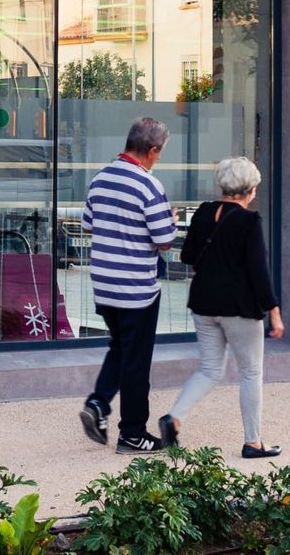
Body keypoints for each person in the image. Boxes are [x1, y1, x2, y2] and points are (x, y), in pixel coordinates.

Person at [157, 157, 284, 459]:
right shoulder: (249, 221)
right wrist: (274, 312)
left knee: (210, 369)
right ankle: (253, 443)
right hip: (239, 307)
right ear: (249, 189)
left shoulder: (202, 213)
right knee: (251, 373)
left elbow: (187, 255)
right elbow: (259, 271)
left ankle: (174, 417)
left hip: (203, 303)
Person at [79, 117, 178, 454]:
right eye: (159, 153)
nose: (158, 158)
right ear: (151, 150)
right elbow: (165, 240)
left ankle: (98, 403)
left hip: (104, 285)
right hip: (136, 289)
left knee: (119, 349)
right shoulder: (149, 185)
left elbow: (89, 225)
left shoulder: (100, 178)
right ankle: (133, 432)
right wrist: (172, 219)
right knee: (137, 363)